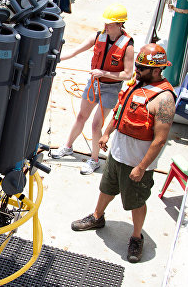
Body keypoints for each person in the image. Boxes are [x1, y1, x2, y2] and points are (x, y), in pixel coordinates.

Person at [69, 43, 176, 263]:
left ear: (157, 71)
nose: (136, 70)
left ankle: (137, 237)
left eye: (141, 67)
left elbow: (160, 139)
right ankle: (97, 217)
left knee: (136, 201)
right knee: (106, 188)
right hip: (117, 154)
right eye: (137, 65)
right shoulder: (136, 85)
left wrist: (142, 167)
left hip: (136, 162)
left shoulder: (164, 100)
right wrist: (107, 133)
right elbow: (119, 112)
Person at [51, 4, 134, 175]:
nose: (106, 26)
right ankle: (67, 146)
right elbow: (74, 51)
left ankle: (94, 159)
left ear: (120, 24)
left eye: (110, 23)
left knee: (96, 125)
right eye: (106, 22)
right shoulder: (97, 37)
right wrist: (55, 58)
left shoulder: (128, 45)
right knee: (81, 116)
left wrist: (103, 72)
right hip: (94, 84)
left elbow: (127, 74)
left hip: (110, 89)